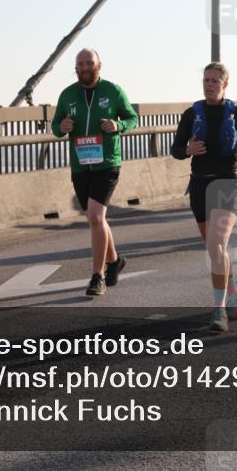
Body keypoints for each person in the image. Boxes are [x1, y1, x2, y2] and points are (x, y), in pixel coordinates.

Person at [171, 63, 237, 332]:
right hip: (199, 186)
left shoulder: (234, 111)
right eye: (206, 80)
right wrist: (188, 149)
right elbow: (175, 149)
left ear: (225, 85)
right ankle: (234, 288)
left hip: (228, 184)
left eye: (215, 81)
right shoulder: (191, 113)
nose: (209, 84)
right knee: (214, 249)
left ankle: (218, 310)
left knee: (217, 244)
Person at [52, 48, 138, 297]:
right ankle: (115, 260)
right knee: (94, 217)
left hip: (107, 162)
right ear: (76, 68)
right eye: (81, 63)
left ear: (99, 65)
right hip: (80, 164)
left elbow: (132, 118)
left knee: (96, 216)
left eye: (90, 62)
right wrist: (62, 126)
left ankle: (97, 276)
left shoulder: (113, 91)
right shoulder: (67, 95)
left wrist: (118, 125)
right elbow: (56, 125)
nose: (86, 67)